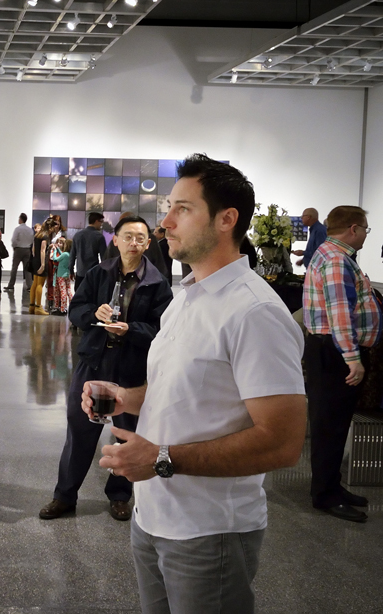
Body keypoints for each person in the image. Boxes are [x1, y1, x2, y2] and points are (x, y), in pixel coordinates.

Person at [89, 154, 306, 614]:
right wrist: (126, 398)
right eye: (169, 207)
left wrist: (162, 458)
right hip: (152, 516)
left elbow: (283, 443)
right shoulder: (185, 298)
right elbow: (177, 389)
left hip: (210, 531)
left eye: (183, 209)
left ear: (227, 220)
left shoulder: (255, 313)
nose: (165, 222)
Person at [40, 216, 172, 523]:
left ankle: (120, 496)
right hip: (94, 363)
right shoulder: (99, 273)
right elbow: (76, 310)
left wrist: (130, 330)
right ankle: (64, 495)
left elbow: (163, 330)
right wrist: (93, 313)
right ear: (116, 240)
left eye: (140, 238)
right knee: (79, 429)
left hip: (132, 369)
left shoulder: (158, 283)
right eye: (128, 237)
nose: (133, 243)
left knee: (126, 433)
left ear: (147, 244)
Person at [302, 205, 380, 522]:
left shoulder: (332, 254)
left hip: (331, 350)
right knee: (330, 426)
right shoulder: (336, 259)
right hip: (335, 352)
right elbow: (340, 314)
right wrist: (352, 358)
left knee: (333, 424)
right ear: (353, 228)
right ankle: (325, 495)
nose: (365, 235)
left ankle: (332, 486)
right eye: (365, 230)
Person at [72, 212, 107, 292]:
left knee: (78, 296)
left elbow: (72, 254)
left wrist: (71, 270)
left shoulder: (77, 235)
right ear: (96, 221)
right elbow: (104, 257)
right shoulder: (99, 237)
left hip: (80, 273)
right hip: (93, 274)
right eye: (101, 222)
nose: (101, 225)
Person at [6, 213, 35, 294]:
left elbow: (14, 240)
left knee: (14, 268)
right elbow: (32, 240)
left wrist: (14, 247)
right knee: (27, 269)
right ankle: (30, 286)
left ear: (21, 219)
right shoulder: (30, 230)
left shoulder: (17, 229)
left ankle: (11, 285)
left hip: (18, 249)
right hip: (27, 250)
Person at [29, 220, 51, 315]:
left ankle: (32, 306)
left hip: (35, 260)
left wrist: (35, 259)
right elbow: (43, 250)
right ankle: (38, 307)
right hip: (41, 261)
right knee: (40, 284)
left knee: (35, 283)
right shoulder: (45, 236)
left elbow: (33, 249)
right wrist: (42, 265)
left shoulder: (37, 235)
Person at [49, 238, 73, 316]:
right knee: (68, 290)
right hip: (67, 274)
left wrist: (54, 250)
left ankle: (63, 309)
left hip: (60, 275)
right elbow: (61, 255)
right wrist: (58, 249)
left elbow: (55, 259)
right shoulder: (69, 254)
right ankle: (72, 306)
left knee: (63, 291)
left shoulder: (64, 254)